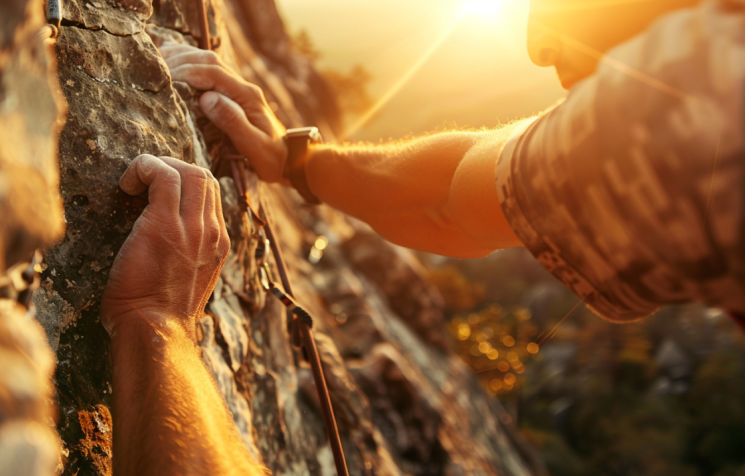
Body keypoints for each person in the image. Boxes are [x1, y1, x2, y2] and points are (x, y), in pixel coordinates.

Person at [100, 0, 745, 474]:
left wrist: (154, 325)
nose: (537, 47)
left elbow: (448, 203)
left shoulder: (702, 100)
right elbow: (449, 195)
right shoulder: (706, 74)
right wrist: (293, 160)